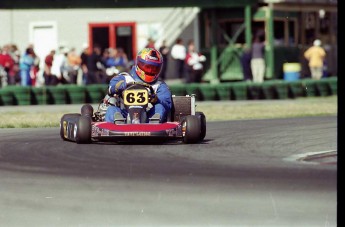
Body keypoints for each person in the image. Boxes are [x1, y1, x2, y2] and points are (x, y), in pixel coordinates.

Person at [105, 48, 172, 123]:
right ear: (139, 63)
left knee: (160, 108)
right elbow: (111, 88)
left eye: (154, 68)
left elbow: (167, 104)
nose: (150, 70)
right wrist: (118, 86)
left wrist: (155, 99)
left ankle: (153, 126)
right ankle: (117, 125)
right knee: (112, 110)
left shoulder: (160, 85)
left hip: (148, 116)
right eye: (147, 67)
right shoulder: (125, 78)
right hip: (125, 115)